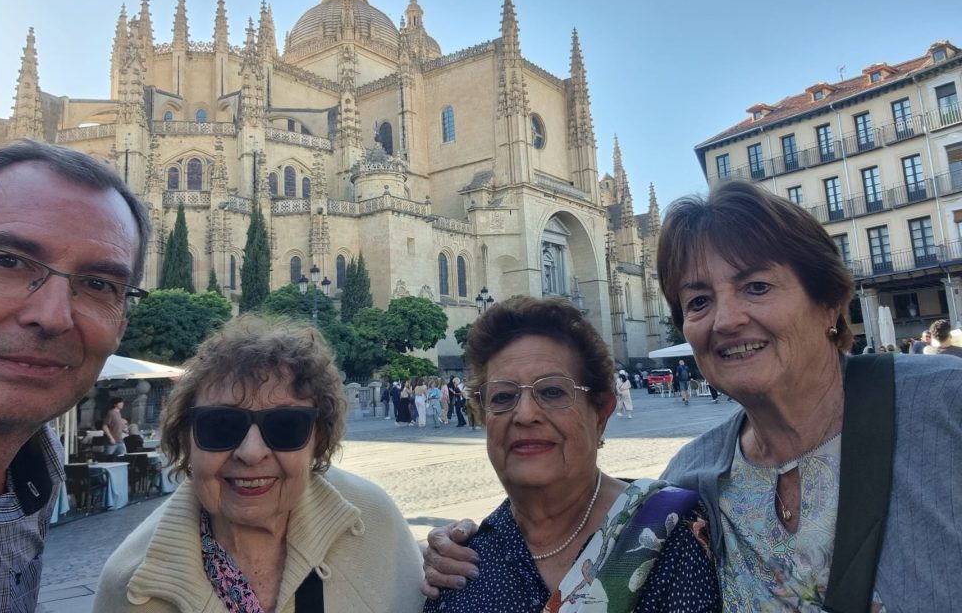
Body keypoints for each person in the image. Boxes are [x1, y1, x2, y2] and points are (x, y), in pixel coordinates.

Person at [424, 180, 962, 611]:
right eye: (699, 301)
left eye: (756, 286)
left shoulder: (944, 408)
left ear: (828, 301)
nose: (726, 319)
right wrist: (463, 545)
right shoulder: (696, 479)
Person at [0, 139, 151, 613]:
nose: (52, 316)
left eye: (98, 285)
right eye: (9, 261)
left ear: (122, 323)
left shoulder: (34, 474)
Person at [94, 315, 424, 612]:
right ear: (185, 439)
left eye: (285, 426)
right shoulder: (130, 587)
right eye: (221, 425)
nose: (251, 453)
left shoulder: (375, 521)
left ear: (318, 441)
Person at [422, 296, 719, 612]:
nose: (524, 414)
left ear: (601, 414)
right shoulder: (462, 562)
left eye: (552, 392)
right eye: (503, 396)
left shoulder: (669, 537)